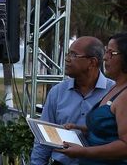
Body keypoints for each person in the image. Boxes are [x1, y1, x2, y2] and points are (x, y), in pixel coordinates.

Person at [30, 36, 114, 165]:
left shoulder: (114, 92)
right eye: (68, 54)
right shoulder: (57, 92)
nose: (67, 59)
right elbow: (43, 137)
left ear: (92, 62)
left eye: (74, 55)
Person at [60, 32, 127, 165]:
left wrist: (84, 152)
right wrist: (81, 129)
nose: (105, 58)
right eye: (106, 51)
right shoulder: (115, 88)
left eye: (111, 53)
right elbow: (109, 129)